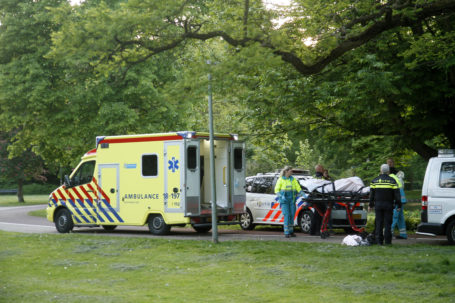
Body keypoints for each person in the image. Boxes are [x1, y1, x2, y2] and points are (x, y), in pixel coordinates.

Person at [369, 164, 401, 245]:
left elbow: (371, 195)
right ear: (389, 171)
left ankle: (379, 241)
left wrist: (370, 205)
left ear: (381, 170)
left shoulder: (374, 181)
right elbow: (397, 195)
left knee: (379, 223)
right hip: (388, 205)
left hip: (378, 205)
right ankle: (388, 241)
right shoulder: (392, 181)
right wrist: (399, 205)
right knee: (388, 224)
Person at [274, 166, 302, 238]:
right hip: (284, 200)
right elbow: (276, 189)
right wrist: (280, 195)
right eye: (290, 171)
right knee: (287, 215)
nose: (292, 172)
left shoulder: (293, 179)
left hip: (292, 200)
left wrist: (301, 192)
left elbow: (297, 187)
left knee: (292, 215)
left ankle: (291, 231)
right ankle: (286, 232)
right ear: (286, 171)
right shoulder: (281, 180)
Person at [390, 171, 408, 239]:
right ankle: (403, 234)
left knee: (394, 217)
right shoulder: (396, 178)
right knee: (400, 217)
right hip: (401, 200)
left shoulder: (391, 178)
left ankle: (389, 233)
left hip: (397, 201)